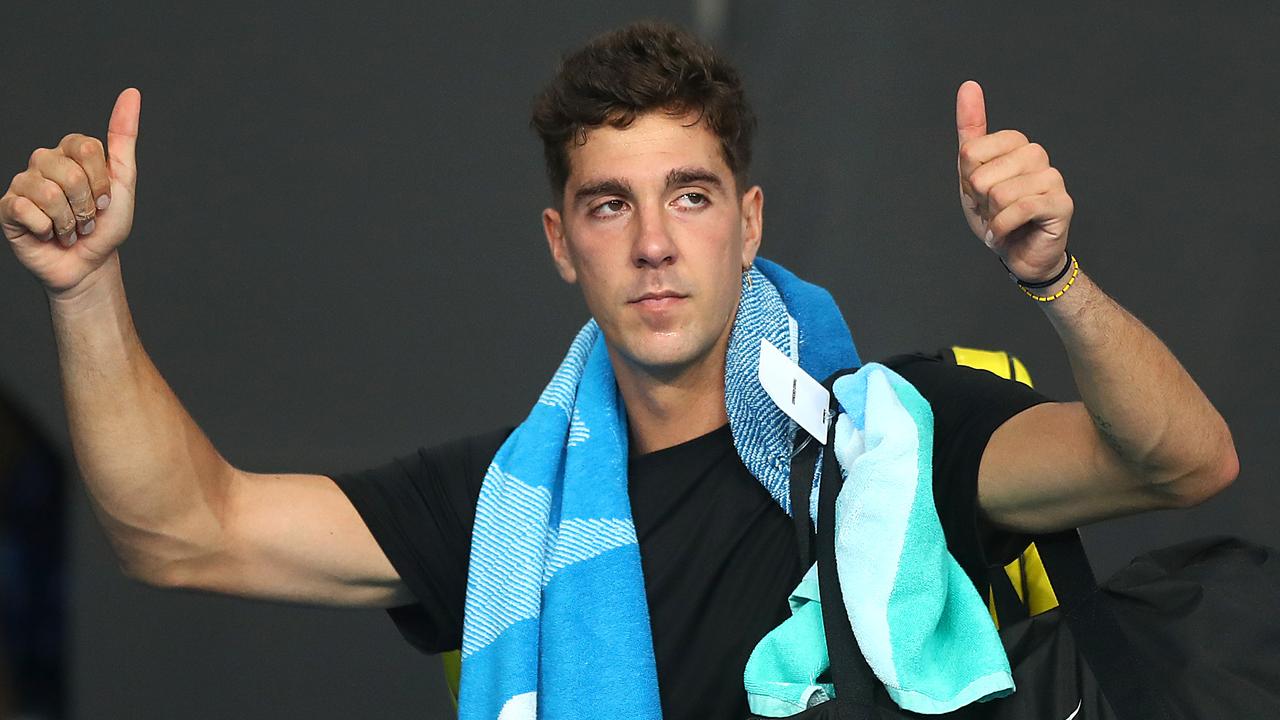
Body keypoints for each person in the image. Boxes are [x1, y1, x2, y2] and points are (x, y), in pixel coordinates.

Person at [0, 20, 1237, 720]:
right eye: (607, 205)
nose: (652, 242)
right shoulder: (501, 510)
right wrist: (85, 288)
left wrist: (1052, 278)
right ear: (560, 244)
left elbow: (1183, 462)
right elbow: (180, 530)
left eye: (688, 196)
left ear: (748, 223)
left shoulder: (888, 437)